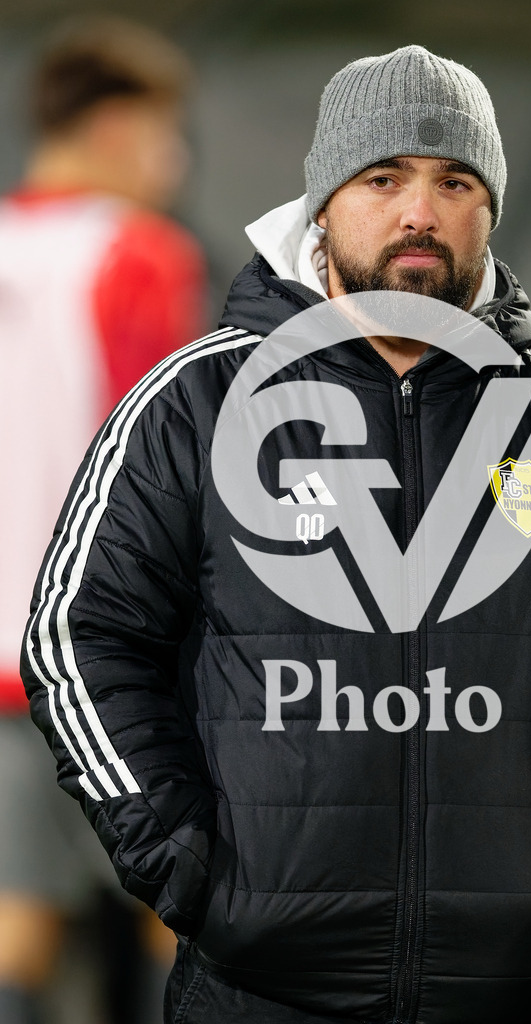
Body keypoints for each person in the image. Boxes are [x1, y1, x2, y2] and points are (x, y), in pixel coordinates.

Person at [20, 45, 531, 1024]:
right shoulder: (196, 405)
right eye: (383, 178)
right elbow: (79, 632)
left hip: (524, 997)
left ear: (489, 207)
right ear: (323, 204)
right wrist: (185, 861)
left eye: (455, 181)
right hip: (259, 995)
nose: (420, 211)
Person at [0, 16, 207, 1024]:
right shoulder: (138, 256)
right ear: (119, 127)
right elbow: (157, 460)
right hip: (104, 649)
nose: (174, 162)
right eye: (167, 134)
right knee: (182, 904)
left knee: (14, 919)